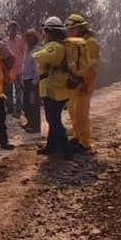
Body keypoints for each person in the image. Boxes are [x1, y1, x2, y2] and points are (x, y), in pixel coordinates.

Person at [33, 16, 74, 159]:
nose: (44, 33)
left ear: (49, 31)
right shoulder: (60, 45)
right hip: (55, 87)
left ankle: (65, 150)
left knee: (54, 120)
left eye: (45, 30)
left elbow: (41, 57)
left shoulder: (55, 47)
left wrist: (36, 52)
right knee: (53, 119)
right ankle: (51, 146)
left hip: (54, 89)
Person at [65, 13, 100, 152]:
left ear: (80, 28)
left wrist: (85, 82)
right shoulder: (77, 42)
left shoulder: (90, 43)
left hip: (84, 83)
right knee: (73, 111)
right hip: (75, 82)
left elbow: (91, 66)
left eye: (72, 29)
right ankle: (77, 137)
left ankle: (85, 143)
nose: (70, 32)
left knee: (81, 114)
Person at [20, 29, 41, 133]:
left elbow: (38, 68)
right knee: (26, 104)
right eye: (27, 37)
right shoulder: (26, 50)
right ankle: (30, 122)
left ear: (35, 39)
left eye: (31, 37)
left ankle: (36, 126)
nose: (29, 39)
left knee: (33, 103)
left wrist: (35, 82)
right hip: (26, 79)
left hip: (33, 80)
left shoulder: (37, 51)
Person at [4, 21, 27, 117]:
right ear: (8, 29)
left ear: (16, 29)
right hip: (8, 70)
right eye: (11, 28)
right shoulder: (5, 41)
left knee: (18, 90)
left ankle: (18, 109)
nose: (12, 30)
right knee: (8, 91)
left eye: (14, 28)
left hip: (18, 70)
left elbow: (24, 53)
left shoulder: (21, 40)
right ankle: (9, 109)